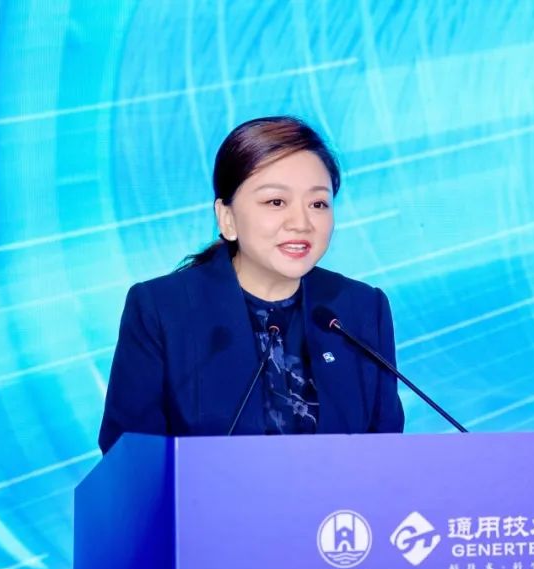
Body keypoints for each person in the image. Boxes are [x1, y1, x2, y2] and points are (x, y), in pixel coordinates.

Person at [98, 115, 404, 454]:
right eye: (276, 202)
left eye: (318, 203)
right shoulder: (162, 310)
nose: (301, 223)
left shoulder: (361, 308)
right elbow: (130, 457)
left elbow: (385, 452)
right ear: (227, 218)